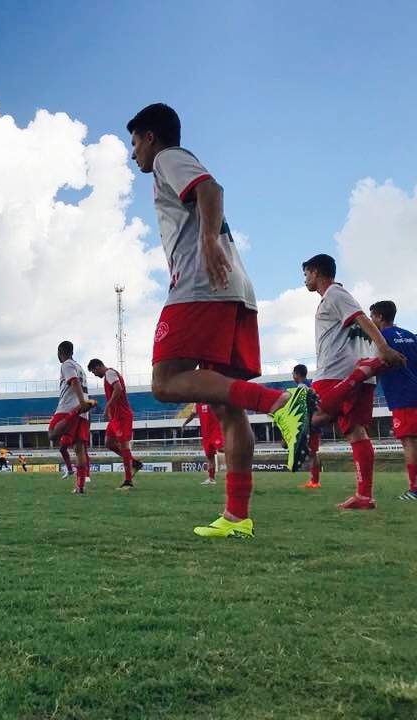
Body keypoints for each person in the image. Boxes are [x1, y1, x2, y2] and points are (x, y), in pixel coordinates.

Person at [127, 103, 312, 538]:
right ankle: (237, 516)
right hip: (235, 288)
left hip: (199, 284)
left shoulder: (169, 158)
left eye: (134, 143)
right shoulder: (170, 162)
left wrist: (207, 239)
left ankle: (280, 403)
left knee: (164, 382)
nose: (133, 153)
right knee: (228, 407)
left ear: (151, 137)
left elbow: (209, 188)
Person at [302, 254, 404, 510]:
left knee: (313, 416)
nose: (305, 280)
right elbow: (361, 321)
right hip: (355, 374)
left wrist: (381, 350)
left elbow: (361, 317)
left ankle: (364, 371)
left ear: (316, 272)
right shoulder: (335, 298)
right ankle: (363, 496)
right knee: (355, 432)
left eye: (306, 274)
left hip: (336, 372)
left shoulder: (335, 294)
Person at [369, 301, 417, 501]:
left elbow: (377, 364)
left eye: (372, 317)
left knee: (409, 441)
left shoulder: (382, 338)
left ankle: (414, 489)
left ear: (379, 317)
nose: (370, 321)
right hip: (413, 390)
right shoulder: (410, 335)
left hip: (402, 395)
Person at [87, 359, 144, 489]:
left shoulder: (109, 373)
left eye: (94, 371)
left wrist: (107, 406)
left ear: (98, 367)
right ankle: (134, 462)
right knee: (109, 443)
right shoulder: (109, 375)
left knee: (124, 445)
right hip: (115, 417)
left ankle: (128, 480)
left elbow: (118, 388)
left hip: (122, 416)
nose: (95, 375)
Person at [47, 341, 94, 494]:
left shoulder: (66, 365)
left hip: (69, 407)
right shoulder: (80, 368)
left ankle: (76, 411)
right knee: (79, 448)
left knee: (52, 434)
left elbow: (73, 382)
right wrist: (85, 407)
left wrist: (79, 405)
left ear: (60, 352)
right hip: (85, 412)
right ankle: (80, 486)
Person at [292, 364, 322, 488]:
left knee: (312, 453)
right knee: (312, 453)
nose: (292, 376)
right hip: (315, 424)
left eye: (293, 373)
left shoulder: (301, 389)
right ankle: (314, 480)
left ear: (297, 374)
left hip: (310, 425)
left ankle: (314, 481)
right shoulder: (310, 387)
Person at [181, 403, 224, 485]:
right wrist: (185, 423)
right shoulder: (196, 403)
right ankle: (211, 478)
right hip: (205, 435)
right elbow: (193, 414)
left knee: (220, 448)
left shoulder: (211, 398)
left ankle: (237, 455)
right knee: (210, 457)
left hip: (215, 431)